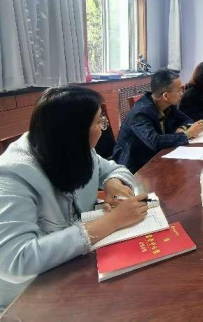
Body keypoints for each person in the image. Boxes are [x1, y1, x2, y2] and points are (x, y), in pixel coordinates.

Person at [0, 86, 149, 309]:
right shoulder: (12, 175)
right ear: (75, 130)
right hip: (30, 297)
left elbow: (115, 169)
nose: (103, 128)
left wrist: (113, 181)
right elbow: (15, 261)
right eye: (99, 122)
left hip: (79, 265)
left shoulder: (77, 149)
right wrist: (111, 222)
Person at [113, 69, 203, 173]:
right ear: (165, 96)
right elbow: (155, 142)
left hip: (158, 157)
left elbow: (187, 120)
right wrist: (187, 134)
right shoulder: (140, 113)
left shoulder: (168, 105)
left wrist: (182, 128)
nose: (182, 93)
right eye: (179, 90)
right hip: (135, 167)